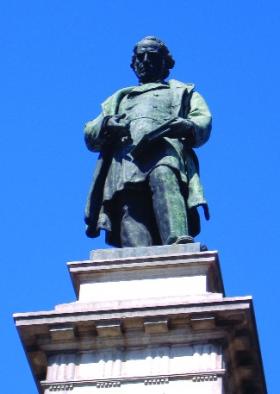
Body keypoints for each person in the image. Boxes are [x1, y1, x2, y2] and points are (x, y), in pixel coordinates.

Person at [84, 36, 212, 247]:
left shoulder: (181, 92)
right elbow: (89, 132)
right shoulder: (120, 98)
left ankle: (177, 240)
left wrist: (187, 126)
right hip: (126, 160)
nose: (145, 61)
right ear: (133, 64)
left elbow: (202, 121)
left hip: (165, 152)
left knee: (164, 179)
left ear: (165, 63)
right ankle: (137, 253)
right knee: (129, 204)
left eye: (151, 56)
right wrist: (107, 124)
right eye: (139, 57)